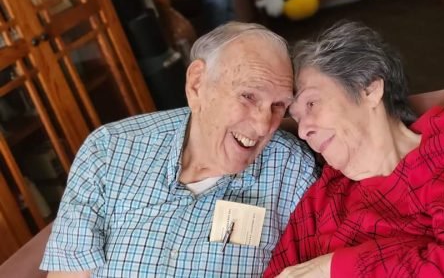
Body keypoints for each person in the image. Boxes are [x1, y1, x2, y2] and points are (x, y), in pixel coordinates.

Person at [264, 21, 444, 277]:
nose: (302, 130)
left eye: (312, 104)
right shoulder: (325, 195)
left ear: (369, 89)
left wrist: (333, 267)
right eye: (298, 118)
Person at [40, 22, 318, 277]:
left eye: (278, 106)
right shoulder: (110, 150)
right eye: (248, 96)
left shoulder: (291, 170)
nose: (262, 125)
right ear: (197, 84)